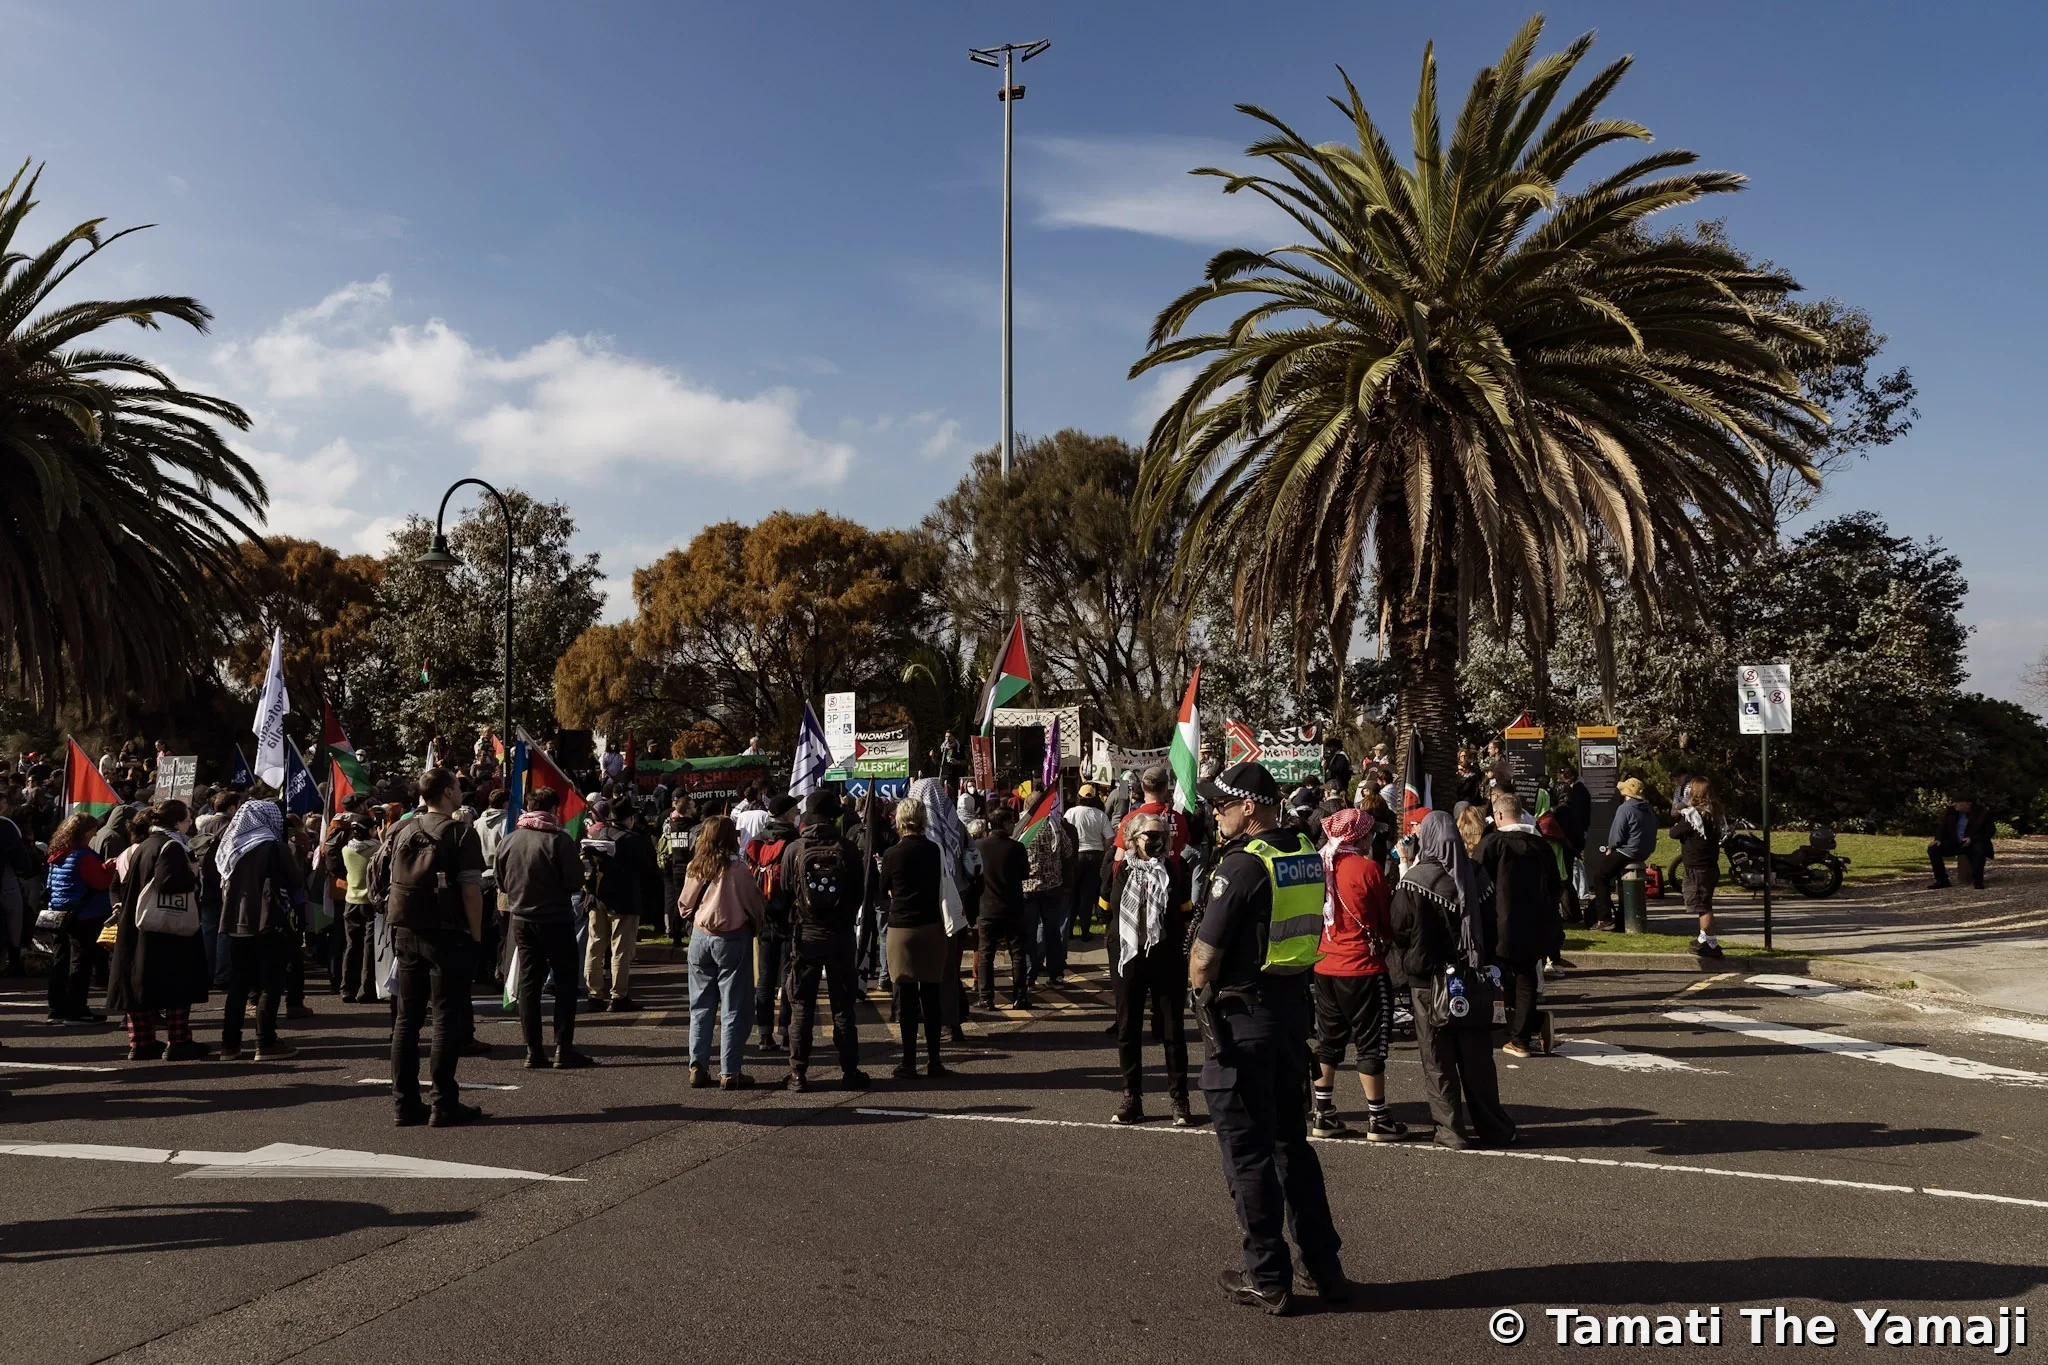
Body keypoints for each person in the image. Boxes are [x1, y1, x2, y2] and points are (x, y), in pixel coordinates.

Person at [1189, 761, 1345, 1315]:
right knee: (1292, 1149)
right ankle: (1324, 1266)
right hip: (1289, 1014)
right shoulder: (1301, 852)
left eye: (1222, 804)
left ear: (1248, 808)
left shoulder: (1244, 866)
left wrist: (1196, 980)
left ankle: (1269, 1277)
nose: (1214, 811)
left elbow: (1203, 961)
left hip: (1244, 1021)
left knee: (1247, 1153)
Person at [1389, 810, 1514, 1150]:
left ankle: (1451, 1130)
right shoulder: (1477, 876)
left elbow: (1398, 930)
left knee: (1437, 1059)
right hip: (1473, 979)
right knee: (1477, 1060)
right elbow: (1493, 925)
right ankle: (1494, 1127)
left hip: (1428, 983)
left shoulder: (1414, 881)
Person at [386, 768, 488, 1126]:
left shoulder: (401, 828)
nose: (461, 792)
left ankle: (404, 1104)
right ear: (446, 792)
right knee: (446, 1016)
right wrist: (476, 936)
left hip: (406, 930)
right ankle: (443, 1102)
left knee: (407, 1020)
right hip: (448, 933)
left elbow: (379, 878)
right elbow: (471, 891)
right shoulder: (461, 832)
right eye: (458, 787)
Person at [1307, 805, 1407, 1141]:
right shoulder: (1367, 869)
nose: (1371, 838)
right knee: (1370, 1041)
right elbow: (1384, 916)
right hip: (1362, 965)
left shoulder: (1318, 865)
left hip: (1324, 963)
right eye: (1369, 833)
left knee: (1328, 1039)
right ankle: (1378, 1116)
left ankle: (1323, 1113)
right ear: (1359, 836)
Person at [494, 786, 594, 1068]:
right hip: (556, 918)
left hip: (522, 919)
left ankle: (533, 1049)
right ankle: (563, 1047)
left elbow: (501, 882)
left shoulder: (510, 840)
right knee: (564, 984)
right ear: (553, 810)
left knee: (529, 984)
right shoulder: (558, 840)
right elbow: (574, 881)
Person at [1104, 813, 1194, 1126]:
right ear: (1133, 839)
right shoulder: (1118, 868)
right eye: (1148, 835)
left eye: (1161, 835)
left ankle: (1179, 1099)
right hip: (1127, 957)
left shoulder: (1172, 868)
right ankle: (1132, 1096)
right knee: (1128, 1027)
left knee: (1173, 1030)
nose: (1155, 841)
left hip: (1166, 956)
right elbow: (1105, 907)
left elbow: (1185, 912)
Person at [107, 801, 213, 1060]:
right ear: (177, 822)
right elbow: (169, 881)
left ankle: (142, 1042)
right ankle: (178, 1041)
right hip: (165, 928)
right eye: (187, 820)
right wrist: (193, 873)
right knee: (176, 984)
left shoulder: (144, 844)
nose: (189, 825)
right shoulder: (172, 846)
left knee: (140, 985)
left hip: (138, 925)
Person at [778, 790, 869, 1091]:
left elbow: (785, 890)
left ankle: (798, 1073)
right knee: (842, 1006)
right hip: (840, 936)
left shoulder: (794, 849)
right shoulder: (848, 849)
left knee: (801, 1006)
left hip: (805, 936)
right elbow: (859, 892)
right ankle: (850, 1070)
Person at [679, 814, 765, 1088]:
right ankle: (730, 1071)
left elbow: (684, 904)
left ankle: (697, 1066)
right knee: (734, 1007)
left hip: (700, 937)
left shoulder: (696, 865)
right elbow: (754, 905)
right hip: (732, 938)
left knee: (700, 1006)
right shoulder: (738, 868)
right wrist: (756, 926)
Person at [216, 800, 304, 1062]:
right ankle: (265, 1041)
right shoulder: (274, 847)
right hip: (268, 923)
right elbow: (295, 880)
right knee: (270, 983)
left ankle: (229, 1045)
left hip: (235, 922)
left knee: (239, 985)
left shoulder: (231, 845)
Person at [1476, 791, 1562, 1058]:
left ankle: (1521, 1029)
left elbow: (1476, 882)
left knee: (1497, 978)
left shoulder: (1491, 844)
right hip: (1534, 924)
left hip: (1497, 924)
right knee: (1525, 978)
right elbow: (1556, 886)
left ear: (1499, 815)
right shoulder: (1541, 846)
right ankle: (1523, 1035)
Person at [879, 798, 949, 1079]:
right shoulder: (934, 850)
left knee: (905, 998)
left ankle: (908, 1061)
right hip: (931, 925)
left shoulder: (892, 854)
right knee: (931, 995)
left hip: (901, 928)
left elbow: (883, 890)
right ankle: (934, 1060)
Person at [742, 794, 800, 1052]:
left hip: (764, 916)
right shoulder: (794, 842)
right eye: (795, 808)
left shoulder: (758, 842)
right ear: (787, 814)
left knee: (765, 978)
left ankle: (764, 1035)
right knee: (789, 975)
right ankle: (787, 1031)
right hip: (790, 915)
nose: (798, 811)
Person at [44, 812, 114, 1024]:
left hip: (58, 913)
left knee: (60, 960)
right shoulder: (85, 856)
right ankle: (77, 1010)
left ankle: (57, 1009)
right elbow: (100, 883)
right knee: (80, 962)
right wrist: (109, 868)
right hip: (83, 914)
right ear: (86, 832)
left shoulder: (57, 854)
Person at [579, 799, 640, 1011]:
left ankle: (594, 994)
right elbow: (647, 870)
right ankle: (618, 995)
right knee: (621, 948)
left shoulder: (597, 835)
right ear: (629, 818)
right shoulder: (632, 840)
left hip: (597, 898)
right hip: (624, 901)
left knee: (594, 946)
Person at [973, 806, 1033, 1010]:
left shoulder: (978, 846)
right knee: (1017, 953)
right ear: (1006, 824)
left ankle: (986, 997)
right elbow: (1025, 874)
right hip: (1012, 907)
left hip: (987, 907)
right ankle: (1020, 996)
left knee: (986, 954)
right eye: (1012, 822)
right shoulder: (1016, 848)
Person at [1585, 777, 1657, 930]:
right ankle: (1623, 919)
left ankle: (1605, 919)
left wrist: (1611, 847)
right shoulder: (1647, 808)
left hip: (1627, 851)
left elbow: (1617, 834)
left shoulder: (1625, 808)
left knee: (1600, 876)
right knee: (1622, 880)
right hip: (1643, 852)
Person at [328, 814, 381, 1002]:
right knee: (369, 947)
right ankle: (366, 989)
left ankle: (346, 987)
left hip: (350, 900)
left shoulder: (346, 850)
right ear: (370, 830)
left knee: (351, 946)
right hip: (369, 902)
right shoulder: (376, 849)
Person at [1672, 777, 1726, 957]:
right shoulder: (1714, 814)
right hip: (1710, 865)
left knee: (1702, 905)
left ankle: (1711, 942)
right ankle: (1703, 937)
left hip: (1697, 867)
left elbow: (1674, 832)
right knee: (1704, 901)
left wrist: (1679, 816)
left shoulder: (1693, 816)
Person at [1113, 765, 1191, 865]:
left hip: (1139, 877)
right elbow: (1183, 846)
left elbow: (1119, 858)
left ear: (1142, 787)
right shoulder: (1180, 819)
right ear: (1165, 788)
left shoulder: (1130, 819)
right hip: (1172, 877)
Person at [1064, 785, 1110, 941]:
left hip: (1075, 856)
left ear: (1079, 796)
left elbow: (1065, 832)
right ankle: (1085, 931)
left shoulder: (1071, 813)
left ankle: (1068, 930)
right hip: (1094, 856)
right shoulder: (1101, 815)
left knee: (1072, 894)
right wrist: (1103, 849)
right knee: (1088, 896)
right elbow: (1109, 837)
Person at [1551, 762, 1592, 924]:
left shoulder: (1573, 798)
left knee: (1569, 873)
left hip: (1572, 839)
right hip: (1575, 837)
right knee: (1570, 872)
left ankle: (1582, 895)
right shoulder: (1577, 795)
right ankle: (1578, 902)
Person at [657, 794, 701, 941]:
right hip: (691, 869)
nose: (695, 809)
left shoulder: (672, 826)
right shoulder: (694, 828)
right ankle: (692, 932)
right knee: (694, 901)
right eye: (693, 806)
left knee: (678, 902)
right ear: (688, 810)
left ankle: (676, 935)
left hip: (676, 868)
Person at [1929, 791, 1994, 891]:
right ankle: (1942, 880)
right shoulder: (1952, 812)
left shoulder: (1982, 813)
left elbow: (1989, 831)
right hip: (1955, 842)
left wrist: (1972, 839)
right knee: (1933, 849)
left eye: (1957, 802)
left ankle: (1977, 880)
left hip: (1973, 842)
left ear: (1968, 803)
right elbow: (1942, 827)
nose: (1954, 804)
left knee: (1979, 849)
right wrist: (1938, 839)